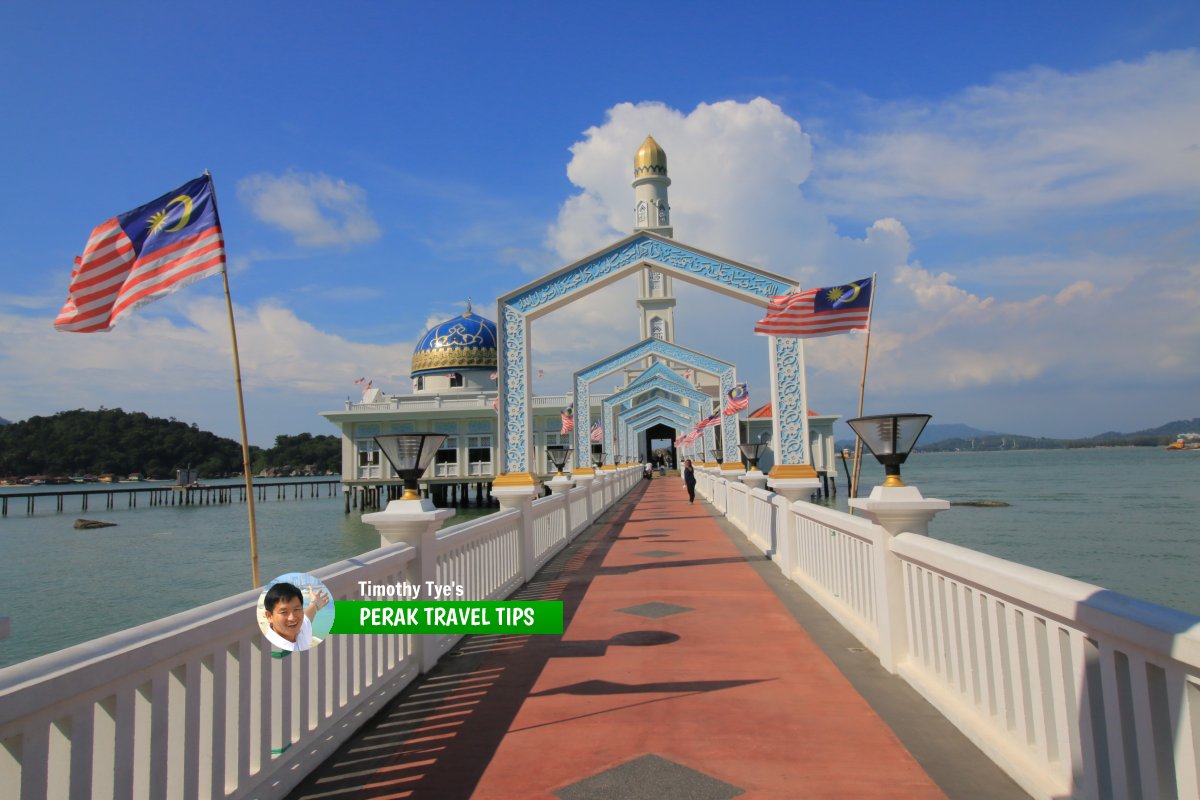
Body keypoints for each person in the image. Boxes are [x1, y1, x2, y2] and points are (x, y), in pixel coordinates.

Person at [262, 581, 331, 652]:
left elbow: (308, 615)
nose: (292, 618)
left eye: (296, 609)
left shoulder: (301, 628)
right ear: (269, 616)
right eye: (284, 612)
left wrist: (315, 604)